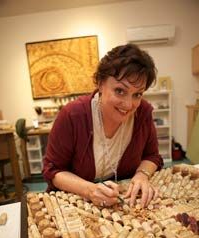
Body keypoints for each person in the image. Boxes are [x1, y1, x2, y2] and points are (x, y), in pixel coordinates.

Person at [43, 43, 163, 208]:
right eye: (120, 91)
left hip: (122, 204)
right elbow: (53, 170)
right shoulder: (72, 115)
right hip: (74, 204)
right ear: (100, 83)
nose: (129, 105)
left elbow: (152, 156)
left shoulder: (143, 112)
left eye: (137, 94)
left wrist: (142, 175)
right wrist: (89, 190)